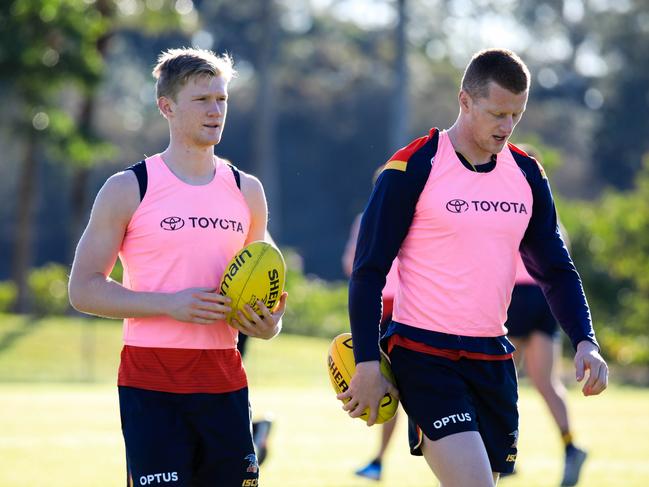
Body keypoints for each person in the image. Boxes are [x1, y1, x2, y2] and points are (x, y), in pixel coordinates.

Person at [340, 48, 608, 487]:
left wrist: (585, 340)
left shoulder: (527, 174)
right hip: (425, 355)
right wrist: (368, 361)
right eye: (497, 113)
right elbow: (369, 271)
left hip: (493, 359)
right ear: (465, 101)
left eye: (516, 116)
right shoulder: (412, 166)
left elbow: (556, 269)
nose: (507, 127)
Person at [68, 47, 287, 486]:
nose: (216, 111)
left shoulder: (248, 190)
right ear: (166, 107)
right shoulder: (129, 188)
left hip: (224, 376)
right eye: (202, 100)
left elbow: (265, 284)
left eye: (221, 99)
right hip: (151, 378)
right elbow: (84, 288)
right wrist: (169, 304)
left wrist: (268, 324)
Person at [503, 146, 587, 485]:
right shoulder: (548, 211)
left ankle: (504, 450)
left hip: (519, 295)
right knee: (545, 382)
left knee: (504, 379)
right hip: (545, 297)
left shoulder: (509, 203)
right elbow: (560, 252)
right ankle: (570, 446)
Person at [343, 211, 400, 481]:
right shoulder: (423, 210)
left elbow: (351, 264)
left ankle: (378, 461)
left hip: (390, 307)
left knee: (395, 388)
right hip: (405, 306)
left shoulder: (367, 217)